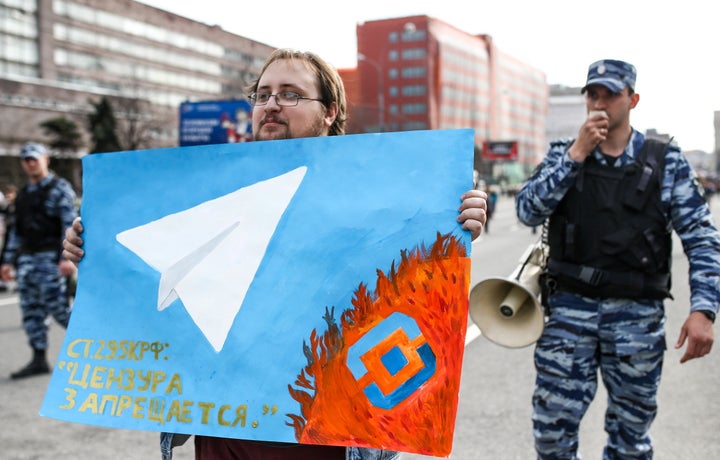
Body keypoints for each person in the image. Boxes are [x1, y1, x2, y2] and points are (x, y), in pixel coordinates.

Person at [62, 48, 488, 460]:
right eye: (262, 94)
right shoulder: (205, 190)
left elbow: (413, 271)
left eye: (290, 94)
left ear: (330, 112)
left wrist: (457, 224)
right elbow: (149, 286)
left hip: (326, 436)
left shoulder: (374, 192)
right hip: (225, 431)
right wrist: (94, 253)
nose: (271, 104)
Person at [515, 59, 720, 459]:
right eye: (593, 93)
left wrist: (704, 311)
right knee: (551, 435)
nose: (600, 102)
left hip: (637, 321)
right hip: (569, 316)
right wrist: (577, 153)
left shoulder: (665, 161)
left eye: (611, 94)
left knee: (631, 441)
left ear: (633, 99)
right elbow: (527, 210)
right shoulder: (564, 154)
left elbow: (701, 238)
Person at [1, 143, 78, 379]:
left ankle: (104, 350)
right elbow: (17, 231)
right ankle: (38, 358)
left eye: (34, 158)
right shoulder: (24, 194)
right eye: (26, 159)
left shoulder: (59, 188)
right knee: (31, 312)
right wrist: (7, 261)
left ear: (46, 159)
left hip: (50, 260)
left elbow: (69, 225)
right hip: (27, 260)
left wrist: (66, 258)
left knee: (61, 311)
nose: (30, 163)